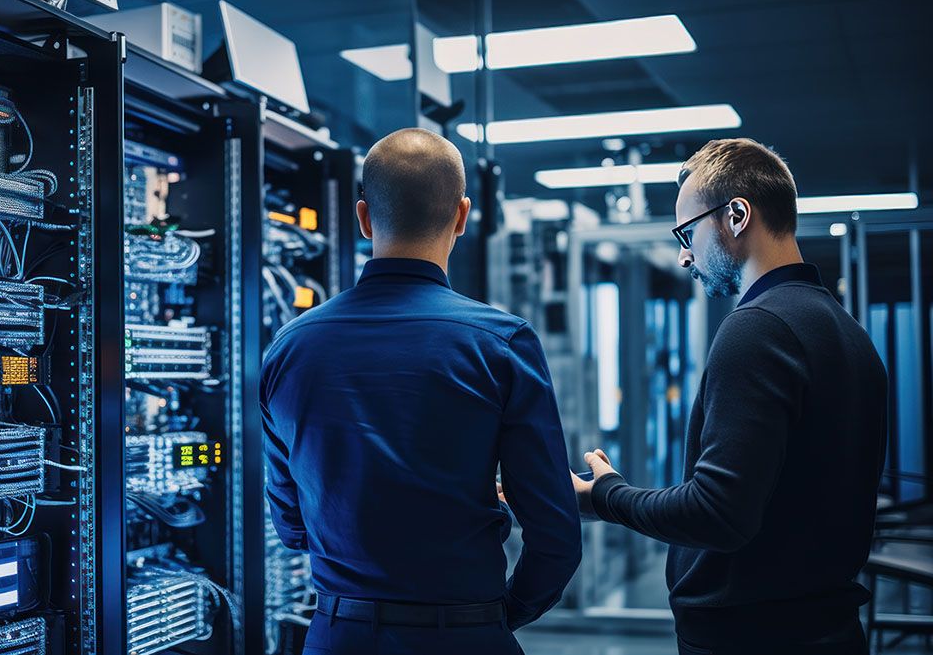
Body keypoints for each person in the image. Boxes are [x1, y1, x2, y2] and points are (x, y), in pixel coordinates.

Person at [260, 128, 581, 655]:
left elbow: (291, 526)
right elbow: (556, 537)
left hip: (338, 637)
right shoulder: (501, 344)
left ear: (363, 218)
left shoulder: (290, 348)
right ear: (461, 215)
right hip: (464, 635)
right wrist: (495, 619)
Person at [573, 138, 888, 655]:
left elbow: (717, 514)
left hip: (752, 639)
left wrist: (604, 496)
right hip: (826, 631)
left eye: (687, 232)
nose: (682, 255)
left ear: (737, 215)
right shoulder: (847, 333)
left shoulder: (758, 329)